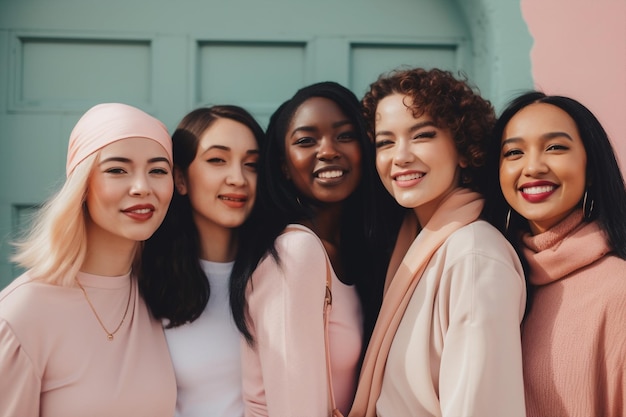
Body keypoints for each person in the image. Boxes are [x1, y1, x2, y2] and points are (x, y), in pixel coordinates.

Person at [349, 68, 527, 417]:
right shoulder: (415, 247)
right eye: (385, 142)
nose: (400, 156)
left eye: (422, 135)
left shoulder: (473, 255)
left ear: (464, 149)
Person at [230, 81, 395, 417]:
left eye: (345, 135)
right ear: (282, 166)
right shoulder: (295, 253)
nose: (328, 150)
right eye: (306, 140)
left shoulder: (353, 253)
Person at [0, 103, 176, 416]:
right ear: (83, 186)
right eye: (117, 170)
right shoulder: (21, 314)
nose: (142, 187)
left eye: (158, 170)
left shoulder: (160, 293)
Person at [482, 91, 626, 417]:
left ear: (590, 167)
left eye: (555, 147)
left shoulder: (618, 290)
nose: (533, 166)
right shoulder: (492, 278)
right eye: (514, 152)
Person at [140, 105, 264, 417]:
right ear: (180, 179)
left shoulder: (275, 275)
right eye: (217, 160)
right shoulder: (145, 280)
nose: (238, 178)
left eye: (251, 164)